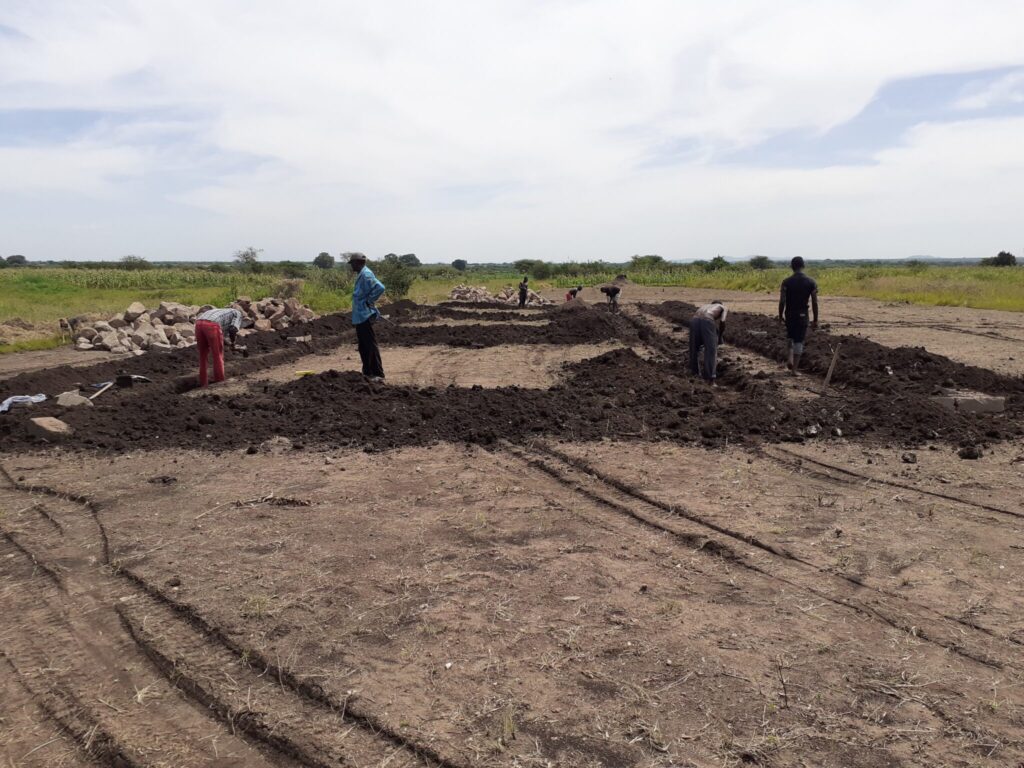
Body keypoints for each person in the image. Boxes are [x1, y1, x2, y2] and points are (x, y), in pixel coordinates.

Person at [348, 252, 386, 381]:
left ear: (358, 262)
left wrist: (370, 301)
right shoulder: (361, 274)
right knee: (363, 346)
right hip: (360, 315)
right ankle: (368, 372)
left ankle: (378, 374)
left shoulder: (366, 274)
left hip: (365, 315)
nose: (351, 266)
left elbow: (380, 287)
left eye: (352, 263)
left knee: (370, 345)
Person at [778, 256, 819, 375]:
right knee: (799, 340)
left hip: (789, 314)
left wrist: (780, 315)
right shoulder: (811, 282)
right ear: (803, 266)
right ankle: (794, 370)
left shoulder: (786, 282)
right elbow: (814, 302)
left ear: (791, 267)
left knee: (790, 337)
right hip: (802, 315)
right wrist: (815, 319)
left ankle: (789, 358)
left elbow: (782, 301)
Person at [194, 306, 243, 387]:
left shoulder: (222, 313)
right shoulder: (238, 313)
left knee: (203, 355)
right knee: (217, 355)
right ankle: (219, 382)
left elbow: (221, 336)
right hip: (212, 325)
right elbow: (233, 329)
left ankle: (203, 383)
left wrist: (229, 344)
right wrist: (233, 343)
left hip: (198, 324)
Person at [689, 300, 727, 385]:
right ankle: (710, 379)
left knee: (694, 348)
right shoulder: (722, 307)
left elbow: (699, 319)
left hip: (694, 321)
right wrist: (720, 336)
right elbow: (723, 321)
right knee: (711, 350)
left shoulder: (704, 306)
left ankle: (694, 374)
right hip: (707, 320)